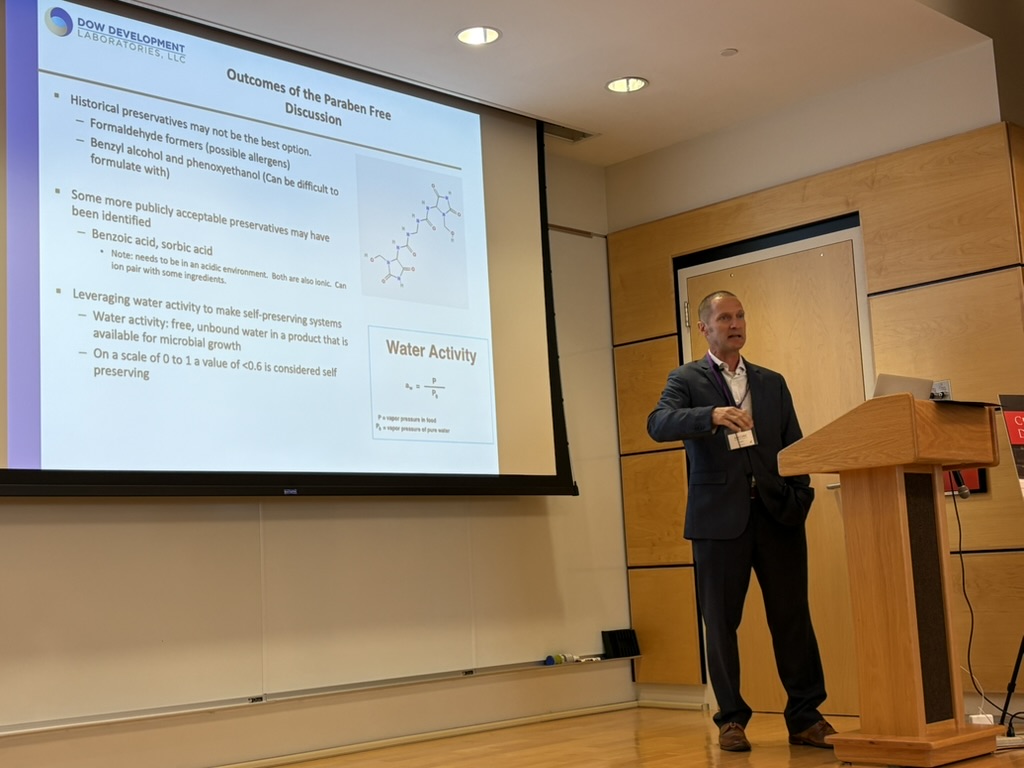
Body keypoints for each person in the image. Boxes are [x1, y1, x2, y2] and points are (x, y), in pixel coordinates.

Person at [646, 290, 835, 752]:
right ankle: (731, 719)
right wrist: (710, 414)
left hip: (777, 516)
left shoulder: (771, 382)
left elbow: (795, 447)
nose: (735, 324)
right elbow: (658, 423)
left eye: (740, 316)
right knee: (721, 622)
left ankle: (806, 716)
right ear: (704, 328)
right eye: (724, 317)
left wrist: (799, 497)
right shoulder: (686, 378)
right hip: (717, 522)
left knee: (793, 619)